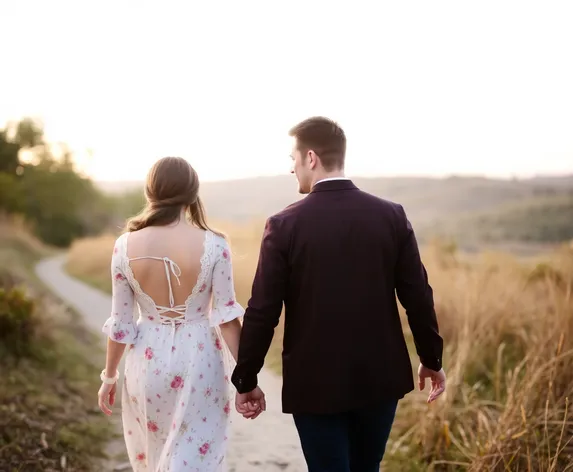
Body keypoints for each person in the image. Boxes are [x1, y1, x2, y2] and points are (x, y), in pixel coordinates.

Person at [231, 117, 447, 472]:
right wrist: (431, 358)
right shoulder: (391, 215)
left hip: (314, 382)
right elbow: (418, 296)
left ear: (311, 158)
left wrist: (246, 379)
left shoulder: (284, 225)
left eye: (293, 158)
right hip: (379, 377)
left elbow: (262, 311)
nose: (292, 168)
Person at [97, 157, 265, 471]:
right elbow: (226, 318)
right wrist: (247, 379)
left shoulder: (123, 247)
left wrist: (109, 376)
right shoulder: (215, 245)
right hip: (199, 359)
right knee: (195, 457)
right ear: (192, 193)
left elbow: (121, 324)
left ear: (150, 193)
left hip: (146, 364)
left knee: (157, 454)